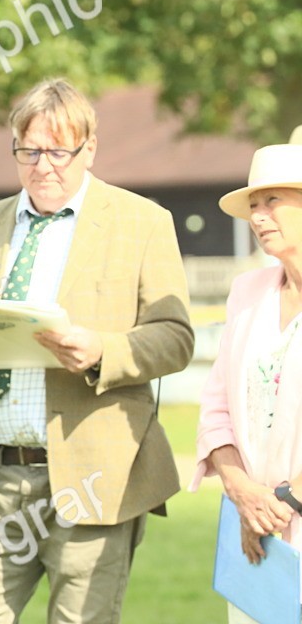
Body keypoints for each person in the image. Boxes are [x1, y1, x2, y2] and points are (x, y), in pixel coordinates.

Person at [0, 78, 195, 623]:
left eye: (58, 151)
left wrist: (103, 350)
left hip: (95, 476)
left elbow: (176, 336)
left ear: (89, 149)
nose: (42, 165)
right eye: (28, 151)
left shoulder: (143, 223)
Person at [192, 127, 302, 623]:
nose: (257, 217)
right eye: (253, 205)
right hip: (255, 536)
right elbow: (216, 408)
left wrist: (281, 504)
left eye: (271, 201)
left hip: (274, 518)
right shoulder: (247, 291)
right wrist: (241, 494)